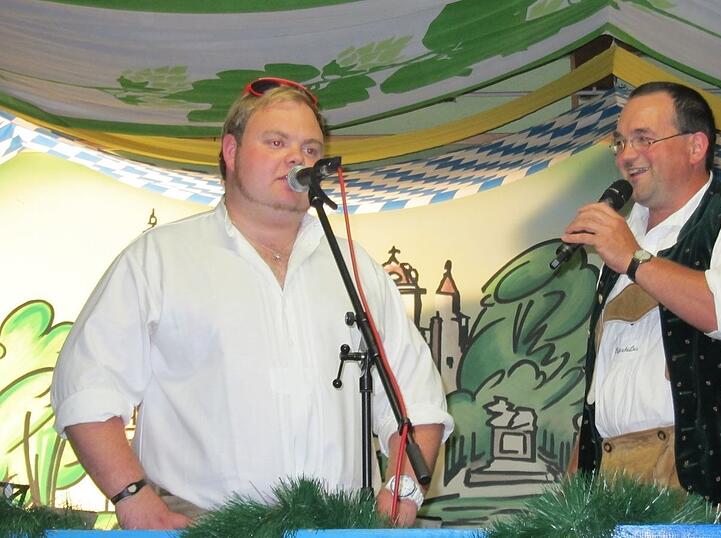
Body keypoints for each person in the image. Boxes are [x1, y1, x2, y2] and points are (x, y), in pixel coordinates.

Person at [51, 78, 453, 529]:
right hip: (205, 525)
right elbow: (86, 387)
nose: (297, 159)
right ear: (230, 151)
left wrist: (401, 494)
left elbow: (416, 402)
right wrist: (133, 499)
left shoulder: (355, 269)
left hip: (336, 525)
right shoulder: (160, 258)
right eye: (276, 142)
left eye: (310, 149)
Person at [563, 81, 721, 522]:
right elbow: (605, 381)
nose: (626, 154)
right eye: (620, 142)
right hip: (610, 475)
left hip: (709, 482)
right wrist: (576, 481)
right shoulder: (629, 236)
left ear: (696, 145)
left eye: (644, 139)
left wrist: (635, 259)